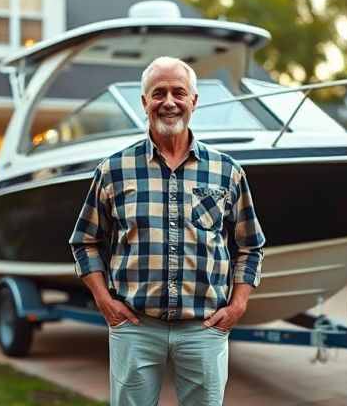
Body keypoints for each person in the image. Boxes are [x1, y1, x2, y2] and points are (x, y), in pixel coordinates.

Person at [69, 56, 265, 405]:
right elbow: (84, 241)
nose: (169, 102)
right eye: (159, 93)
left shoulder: (227, 171)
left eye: (179, 92)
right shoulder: (114, 170)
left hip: (205, 328)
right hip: (135, 326)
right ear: (144, 103)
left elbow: (250, 246)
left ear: (194, 101)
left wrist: (237, 306)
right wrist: (104, 301)